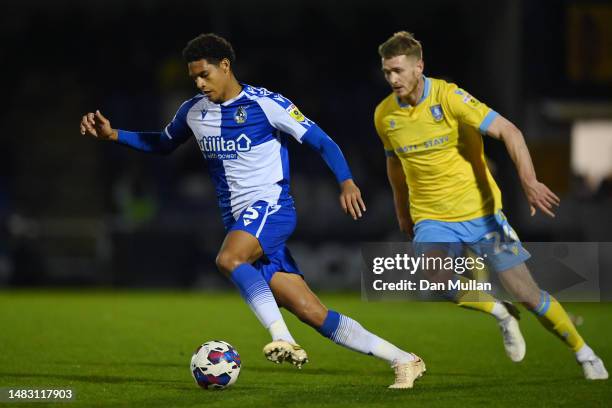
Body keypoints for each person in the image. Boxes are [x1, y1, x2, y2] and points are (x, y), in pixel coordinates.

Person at [80, 33, 425, 389]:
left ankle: (282, 338)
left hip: (271, 208)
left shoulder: (266, 104)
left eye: (204, 75)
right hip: (242, 222)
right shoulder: (193, 111)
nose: (199, 83)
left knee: (228, 260)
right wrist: (113, 135)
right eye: (193, 77)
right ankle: (404, 359)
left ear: (225, 66)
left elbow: (322, 140)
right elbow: (164, 143)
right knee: (314, 313)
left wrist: (347, 181)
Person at [374, 31, 607, 380]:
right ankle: (500, 312)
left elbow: (510, 132)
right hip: (432, 218)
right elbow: (395, 167)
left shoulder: (450, 97)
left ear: (418, 66)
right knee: (435, 275)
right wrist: (402, 211)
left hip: (483, 216)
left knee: (528, 295)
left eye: (398, 70)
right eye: (387, 72)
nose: (392, 79)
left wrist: (529, 182)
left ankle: (584, 352)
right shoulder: (384, 116)